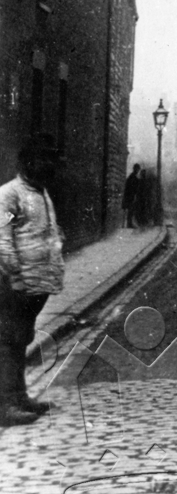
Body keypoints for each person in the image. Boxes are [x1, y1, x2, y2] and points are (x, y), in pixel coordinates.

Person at [0, 133, 64, 426]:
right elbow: (2, 238)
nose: (50, 165)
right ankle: (7, 406)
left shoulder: (40, 192)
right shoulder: (10, 194)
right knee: (9, 341)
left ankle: (19, 397)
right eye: (44, 159)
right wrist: (14, 275)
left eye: (52, 159)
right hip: (17, 284)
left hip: (36, 286)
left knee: (21, 339)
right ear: (27, 162)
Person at [123, 163, 142, 228]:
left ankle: (130, 224)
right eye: (137, 169)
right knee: (130, 210)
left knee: (131, 210)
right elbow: (132, 188)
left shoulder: (132, 177)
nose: (138, 171)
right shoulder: (132, 177)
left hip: (130, 196)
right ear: (135, 169)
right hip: (130, 196)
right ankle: (129, 224)